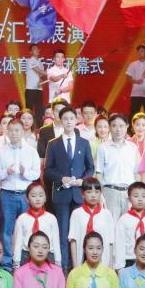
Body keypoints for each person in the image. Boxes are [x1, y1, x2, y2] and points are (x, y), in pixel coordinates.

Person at [44, 107, 93, 270]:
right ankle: (63, 268)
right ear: (60, 120)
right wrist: (61, 178)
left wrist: (82, 180)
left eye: (72, 118)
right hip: (61, 195)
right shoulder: (53, 144)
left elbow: (90, 167)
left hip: (78, 194)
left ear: (76, 120)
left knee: (79, 233)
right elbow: (47, 170)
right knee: (63, 233)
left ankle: (79, 267)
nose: (69, 121)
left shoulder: (84, 143)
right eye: (65, 118)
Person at [0, 118, 41, 270]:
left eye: (17, 130)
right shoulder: (0, 151)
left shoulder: (31, 151)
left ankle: (25, 261)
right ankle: (7, 264)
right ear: (7, 132)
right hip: (7, 194)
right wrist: (5, 172)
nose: (14, 133)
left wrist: (24, 172)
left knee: (27, 227)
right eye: (11, 130)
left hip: (26, 195)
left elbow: (36, 174)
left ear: (22, 132)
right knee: (6, 230)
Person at [95, 114, 139, 219]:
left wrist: (137, 193)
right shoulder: (103, 148)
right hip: (110, 192)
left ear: (127, 126)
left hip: (129, 193)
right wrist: (100, 194)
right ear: (109, 128)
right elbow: (99, 173)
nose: (118, 129)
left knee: (129, 224)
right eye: (114, 126)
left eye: (121, 126)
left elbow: (136, 173)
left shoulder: (133, 148)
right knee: (111, 225)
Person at [115, 182, 145, 270]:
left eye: (143, 196)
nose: (140, 199)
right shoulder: (123, 220)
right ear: (129, 199)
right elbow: (119, 245)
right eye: (136, 196)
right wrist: (120, 268)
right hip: (130, 261)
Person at [11, 182, 60, 269]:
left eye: (41, 195)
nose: (37, 199)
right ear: (27, 199)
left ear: (45, 198)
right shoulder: (22, 218)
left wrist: (58, 262)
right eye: (33, 196)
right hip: (26, 255)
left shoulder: (51, 218)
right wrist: (16, 263)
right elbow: (18, 242)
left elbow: (56, 242)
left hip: (48, 255)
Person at [69, 178, 115, 269]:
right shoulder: (76, 213)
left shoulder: (107, 214)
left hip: (103, 262)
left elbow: (110, 241)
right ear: (82, 194)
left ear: (101, 193)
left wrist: (110, 265)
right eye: (89, 192)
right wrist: (75, 266)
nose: (93, 195)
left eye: (97, 192)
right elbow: (73, 240)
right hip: (82, 262)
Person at [23, 44, 47, 122]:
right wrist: (53, 73)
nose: (37, 50)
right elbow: (40, 71)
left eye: (37, 49)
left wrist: (42, 80)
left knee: (39, 110)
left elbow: (42, 76)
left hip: (39, 89)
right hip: (30, 89)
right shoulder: (30, 61)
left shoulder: (40, 62)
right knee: (29, 110)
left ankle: (39, 126)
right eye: (34, 49)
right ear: (30, 52)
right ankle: (28, 125)